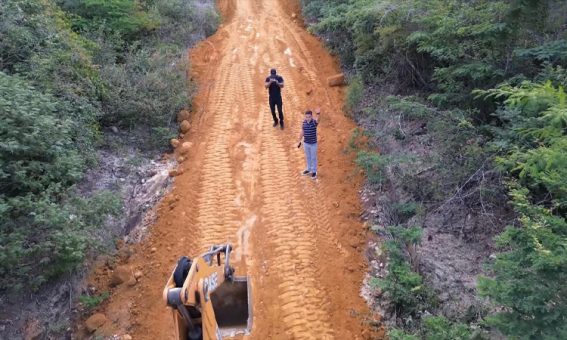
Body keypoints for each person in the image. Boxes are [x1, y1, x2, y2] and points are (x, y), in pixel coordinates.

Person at [297, 108, 321, 179]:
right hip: (306, 143)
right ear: (305, 117)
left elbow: (318, 120)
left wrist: (318, 114)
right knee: (308, 157)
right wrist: (299, 140)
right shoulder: (304, 123)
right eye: (306, 117)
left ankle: (314, 172)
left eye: (309, 117)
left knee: (313, 157)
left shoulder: (314, 122)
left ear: (311, 116)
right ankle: (308, 169)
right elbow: (302, 132)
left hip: (313, 144)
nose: (308, 118)